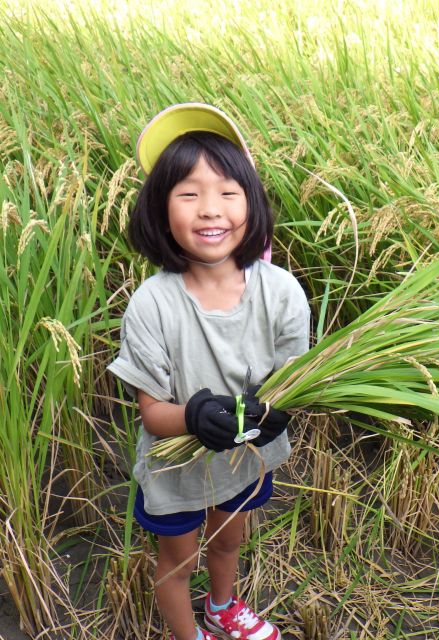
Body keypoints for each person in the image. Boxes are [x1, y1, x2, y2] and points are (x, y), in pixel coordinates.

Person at [108, 103, 310, 640]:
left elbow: (296, 379)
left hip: (246, 457)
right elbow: (152, 413)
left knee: (227, 540)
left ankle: (223, 608)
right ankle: (188, 633)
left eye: (226, 191)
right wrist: (195, 415)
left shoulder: (282, 292)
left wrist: (280, 413)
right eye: (188, 194)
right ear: (160, 211)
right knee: (177, 562)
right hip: (175, 469)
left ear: (251, 203)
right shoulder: (152, 305)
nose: (209, 209)